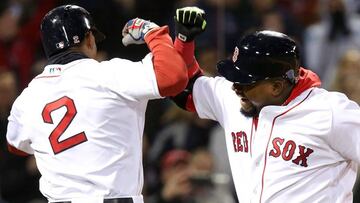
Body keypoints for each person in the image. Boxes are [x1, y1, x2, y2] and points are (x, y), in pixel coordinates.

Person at [171, 6, 360, 202]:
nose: (236, 87)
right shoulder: (235, 97)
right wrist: (184, 41)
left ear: (276, 87)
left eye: (246, 82)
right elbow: (179, 87)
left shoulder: (330, 112)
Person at [6, 4, 188, 203]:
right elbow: (174, 76)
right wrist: (153, 32)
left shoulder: (27, 98)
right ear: (90, 40)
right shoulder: (109, 74)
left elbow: (16, 146)